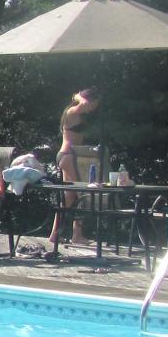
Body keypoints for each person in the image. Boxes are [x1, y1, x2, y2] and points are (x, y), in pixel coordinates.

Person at [50, 88, 103, 246]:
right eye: (94, 104)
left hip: (70, 156)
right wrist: (81, 96)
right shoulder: (73, 110)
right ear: (88, 99)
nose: (93, 108)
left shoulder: (78, 114)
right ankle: (77, 234)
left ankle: (55, 234)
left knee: (69, 197)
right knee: (82, 193)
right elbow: (82, 101)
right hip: (68, 156)